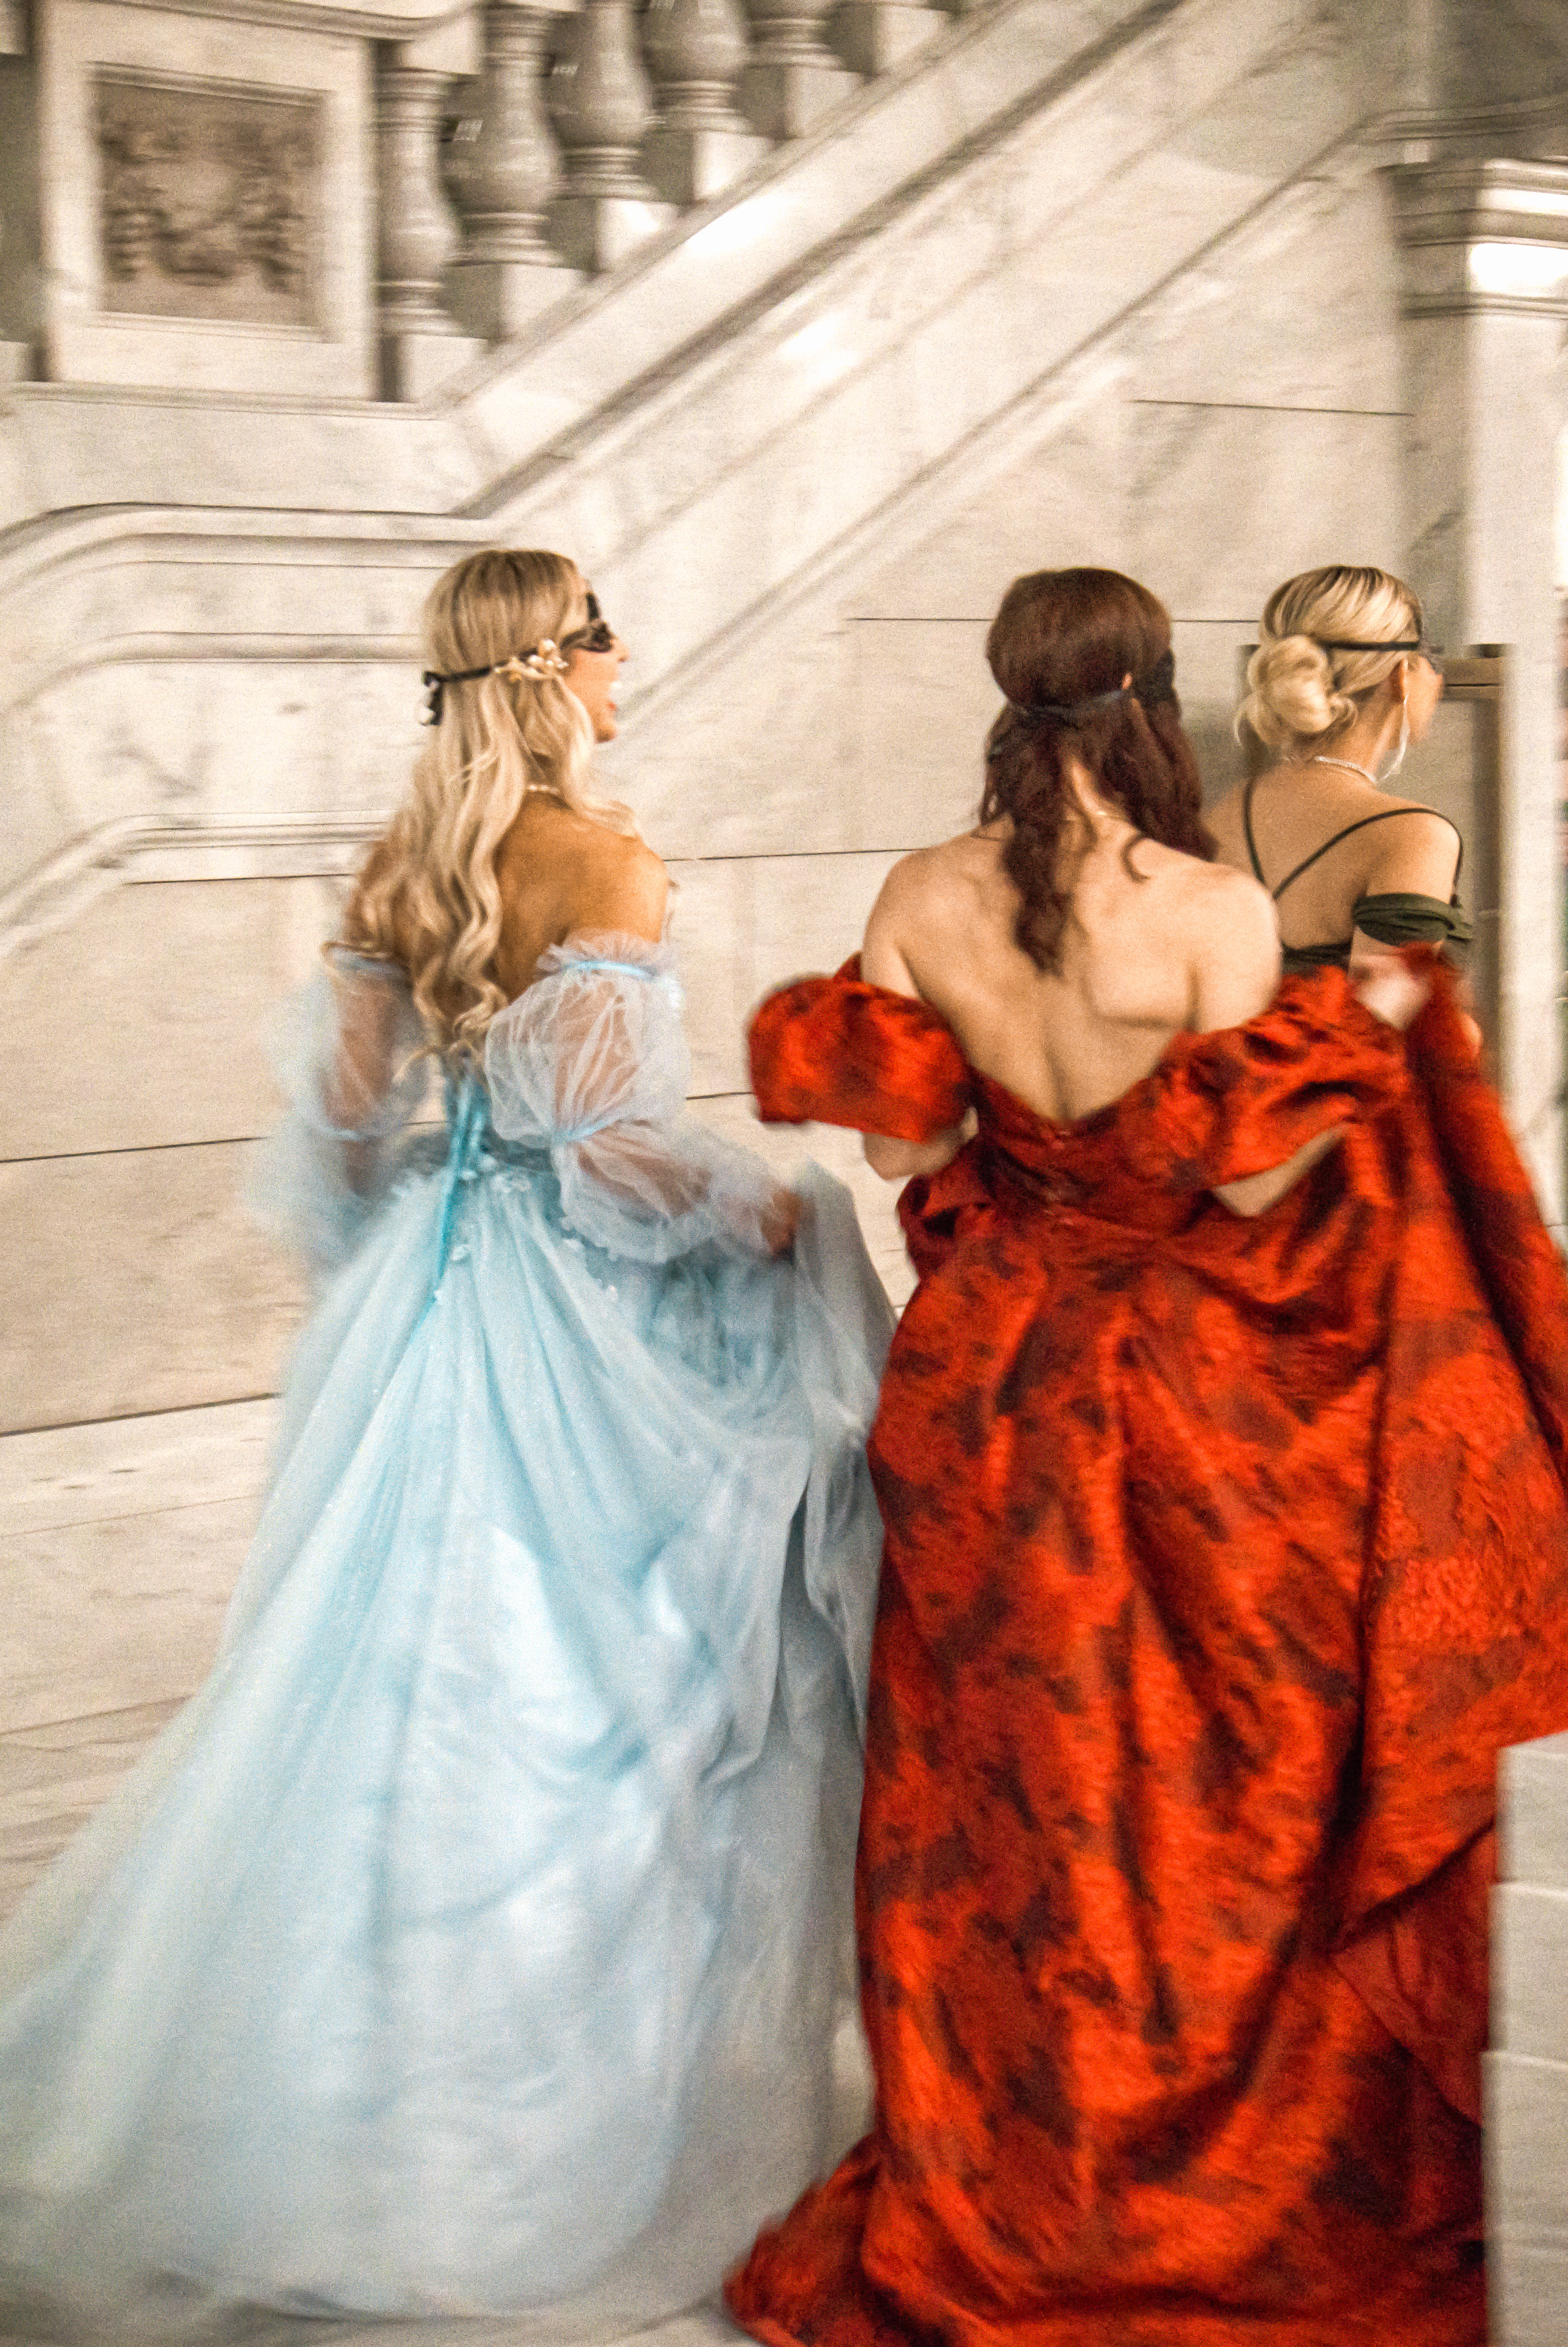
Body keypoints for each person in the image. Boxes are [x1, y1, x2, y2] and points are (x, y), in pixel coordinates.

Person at [0, 548, 892, 2331]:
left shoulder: (406, 860)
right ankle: (515, 2158)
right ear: (547, 670)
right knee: (592, 1702)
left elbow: (339, 1123)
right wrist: (773, 1211)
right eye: (600, 630)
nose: (625, 651)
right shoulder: (611, 861)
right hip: (574, 1325)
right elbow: (620, 1160)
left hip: (432, 1299)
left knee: (396, 1697)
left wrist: (408, 1229)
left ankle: (328, 2126)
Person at [725, 566, 1568, 2347]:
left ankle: (1012, 2171)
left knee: (996, 1808)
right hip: (1181, 1403)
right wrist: (1368, 1045)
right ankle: (1195, 2158)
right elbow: (1251, 1183)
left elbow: (903, 1156)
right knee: (1212, 1804)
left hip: (982, 1395)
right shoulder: (1204, 909)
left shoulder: (918, 894)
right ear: (1152, 701)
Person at [1206, 564, 1470, 975]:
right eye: (1429, 657)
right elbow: (1377, 1029)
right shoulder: (1414, 836)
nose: (1438, 677)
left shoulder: (1227, 812)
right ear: (1401, 676)